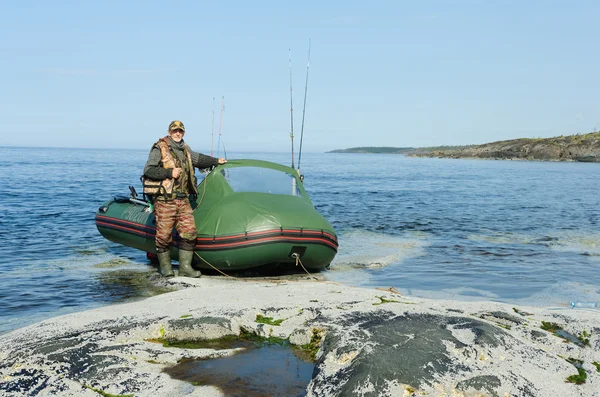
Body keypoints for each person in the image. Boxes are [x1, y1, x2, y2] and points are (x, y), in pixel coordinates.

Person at [143, 120, 227, 277]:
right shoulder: (159, 148)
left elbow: (198, 159)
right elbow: (148, 170)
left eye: (180, 131)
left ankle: (185, 268)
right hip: (165, 199)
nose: (177, 133)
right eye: (175, 131)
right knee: (163, 236)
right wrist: (168, 173)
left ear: (184, 132)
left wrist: (216, 161)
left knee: (189, 232)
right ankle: (166, 268)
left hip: (183, 199)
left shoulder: (185, 149)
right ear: (169, 132)